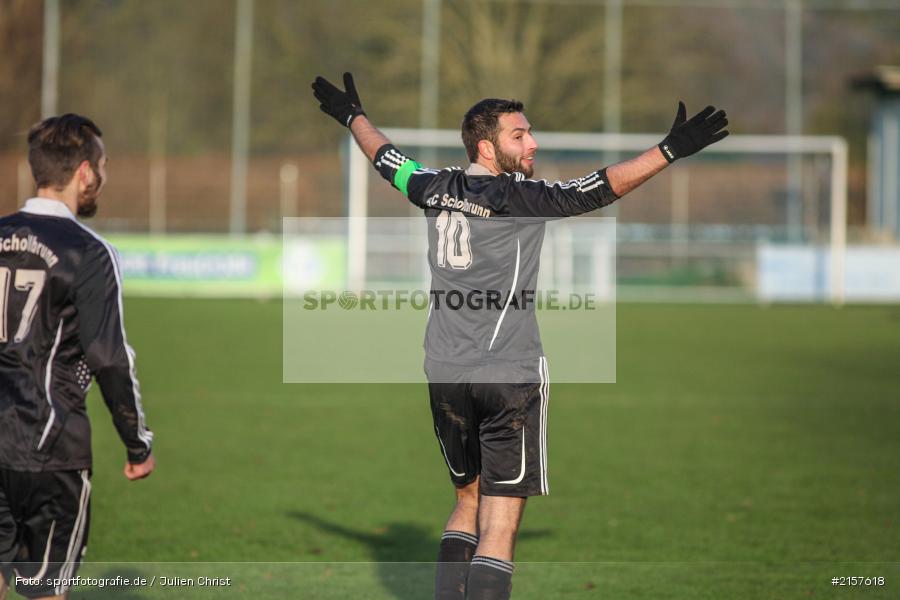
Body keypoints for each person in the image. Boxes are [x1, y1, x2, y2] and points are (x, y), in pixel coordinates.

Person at [313, 73, 727, 599]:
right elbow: (601, 187)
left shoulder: (431, 186)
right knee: (501, 524)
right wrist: (669, 150)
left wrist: (353, 117)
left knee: (468, 500)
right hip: (508, 377)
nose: (532, 143)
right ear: (486, 147)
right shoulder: (520, 196)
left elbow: (385, 157)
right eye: (519, 135)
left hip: (445, 374)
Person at [0, 114, 155, 600]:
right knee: (47, 590)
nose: (103, 178)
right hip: (51, 448)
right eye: (103, 167)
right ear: (85, 172)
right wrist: (137, 443)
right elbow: (109, 358)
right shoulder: (89, 252)